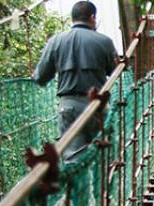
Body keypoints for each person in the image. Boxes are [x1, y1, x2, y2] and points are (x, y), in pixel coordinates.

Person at [34, 1, 118, 162]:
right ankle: (105, 186)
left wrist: (36, 73)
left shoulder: (55, 41)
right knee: (104, 159)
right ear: (92, 17)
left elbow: (41, 78)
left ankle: (80, 187)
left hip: (69, 107)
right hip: (97, 107)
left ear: (73, 18)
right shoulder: (104, 41)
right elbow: (115, 72)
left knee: (74, 161)